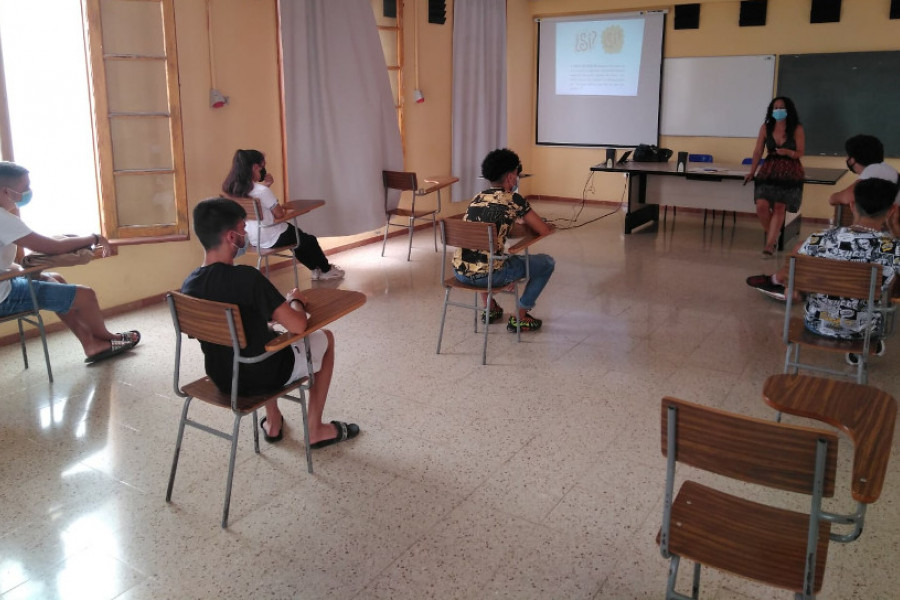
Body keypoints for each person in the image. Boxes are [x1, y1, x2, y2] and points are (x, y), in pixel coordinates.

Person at [182, 197, 358, 447]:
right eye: (244, 229)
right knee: (325, 338)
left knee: (261, 335)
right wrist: (295, 301)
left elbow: (219, 332)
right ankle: (315, 428)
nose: (247, 235)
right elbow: (298, 326)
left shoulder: (189, 285)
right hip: (264, 375)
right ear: (231, 237)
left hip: (222, 377)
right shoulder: (247, 279)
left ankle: (273, 421)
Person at [747, 177, 900, 363]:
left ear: (851, 205)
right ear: (892, 210)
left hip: (816, 324)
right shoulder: (894, 249)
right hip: (865, 331)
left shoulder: (815, 240)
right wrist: (896, 231)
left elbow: (793, 293)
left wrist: (800, 292)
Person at [0, 162, 140, 364]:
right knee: (86, 296)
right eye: (25, 188)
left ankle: (90, 344)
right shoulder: (4, 219)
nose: (28, 192)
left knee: (55, 279)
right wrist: (94, 238)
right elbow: (52, 247)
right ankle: (108, 338)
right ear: (6, 191)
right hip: (4, 298)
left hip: (5, 284)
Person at [453, 148, 555, 332]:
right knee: (546, 263)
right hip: (491, 276)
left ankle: (490, 308)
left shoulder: (477, 198)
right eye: (517, 174)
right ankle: (520, 316)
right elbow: (543, 230)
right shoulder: (513, 199)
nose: (517, 179)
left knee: (483, 251)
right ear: (510, 177)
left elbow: (493, 231)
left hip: (460, 273)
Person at [222, 149, 344, 281]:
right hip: (273, 235)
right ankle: (326, 269)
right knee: (308, 241)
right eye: (262, 167)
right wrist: (297, 212)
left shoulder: (232, 190)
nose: (263, 171)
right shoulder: (261, 191)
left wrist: (267, 186)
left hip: (253, 238)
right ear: (255, 167)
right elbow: (279, 214)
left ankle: (316, 270)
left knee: (299, 242)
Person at [743, 97, 806, 257]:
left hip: (790, 170)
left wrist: (788, 152)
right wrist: (752, 171)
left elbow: (800, 152)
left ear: (788, 110)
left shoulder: (796, 128)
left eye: (781, 107)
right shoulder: (766, 127)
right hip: (769, 169)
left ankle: (770, 243)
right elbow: (758, 151)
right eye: (775, 107)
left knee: (779, 207)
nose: (778, 110)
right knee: (761, 206)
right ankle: (774, 235)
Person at [827, 134, 900, 234]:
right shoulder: (880, 168)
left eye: (848, 155)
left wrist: (832, 197)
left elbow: (846, 197)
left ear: (852, 159)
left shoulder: (875, 170)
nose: (846, 159)